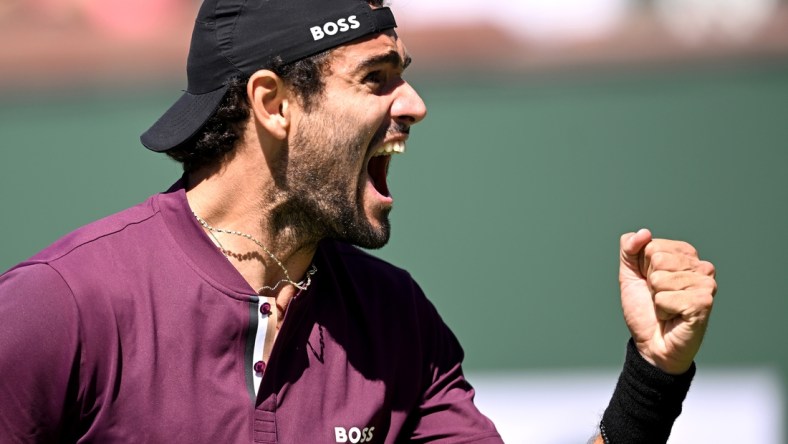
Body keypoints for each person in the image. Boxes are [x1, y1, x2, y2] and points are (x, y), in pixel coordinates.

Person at [0, 0, 716, 443]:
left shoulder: (398, 322)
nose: (413, 106)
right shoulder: (59, 309)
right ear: (273, 102)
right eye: (376, 79)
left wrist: (654, 375)